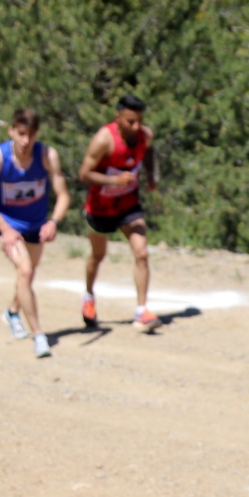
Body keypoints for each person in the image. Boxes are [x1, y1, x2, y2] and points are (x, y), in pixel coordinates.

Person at [0, 108, 70, 359]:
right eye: (22, 134)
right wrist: (3, 229)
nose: (26, 141)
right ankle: (39, 335)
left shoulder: (48, 156)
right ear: (12, 132)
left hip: (37, 224)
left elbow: (63, 194)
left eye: (32, 135)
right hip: (10, 225)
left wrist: (54, 222)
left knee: (26, 276)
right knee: (25, 271)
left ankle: (12, 313)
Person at [79, 94, 160, 332]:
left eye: (139, 121)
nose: (136, 127)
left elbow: (149, 153)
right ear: (118, 118)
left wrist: (151, 176)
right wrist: (114, 180)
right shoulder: (104, 140)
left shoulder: (145, 135)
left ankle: (141, 310)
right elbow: (84, 173)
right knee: (98, 256)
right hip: (100, 208)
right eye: (130, 122)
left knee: (142, 253)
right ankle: (89, 296)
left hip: (128, 204)